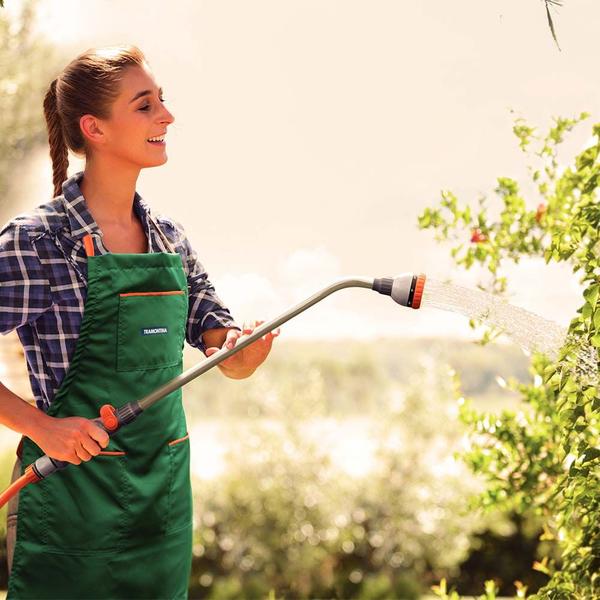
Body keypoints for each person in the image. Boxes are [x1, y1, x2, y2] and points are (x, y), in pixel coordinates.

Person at [0, 44, 279, 599]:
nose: (166, 117)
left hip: (163, 511)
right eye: (145, 106)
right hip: (70, 514)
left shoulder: (168, 239)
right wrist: (42, 427)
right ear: (94, 129)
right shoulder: (39, 241)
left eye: (162, 102)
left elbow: (222, 346)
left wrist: (242, 351)